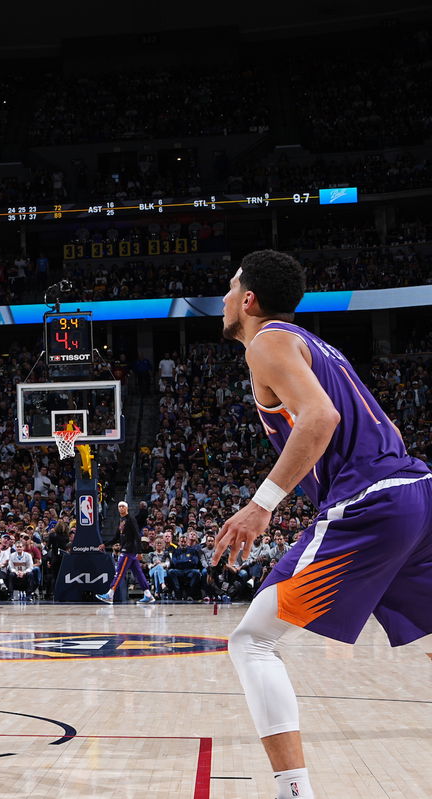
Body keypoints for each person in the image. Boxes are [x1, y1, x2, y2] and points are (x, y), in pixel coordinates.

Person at [214, 249, 432, 799]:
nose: (221, 299)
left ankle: (294, 794)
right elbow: (382, 432)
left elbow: (322, 417)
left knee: (253, 642)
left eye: (228, 288)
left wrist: (261, 504)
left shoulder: (269, 342)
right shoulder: (318, 346)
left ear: (248, 300)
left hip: (373, 505)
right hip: (415, 492)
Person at [97, 500, 155, 604]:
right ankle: (148, 595)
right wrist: (105, 545)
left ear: (127, 508)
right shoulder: (121, 520)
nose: (121, 508)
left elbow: (137, 535)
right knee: (138, 573)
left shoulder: (131, 519)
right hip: (128, 551)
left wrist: (139, 552)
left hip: (128, 551)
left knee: (119, 573)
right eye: (119, 507)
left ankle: (110, 595)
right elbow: (116, 537)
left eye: (123, 506)